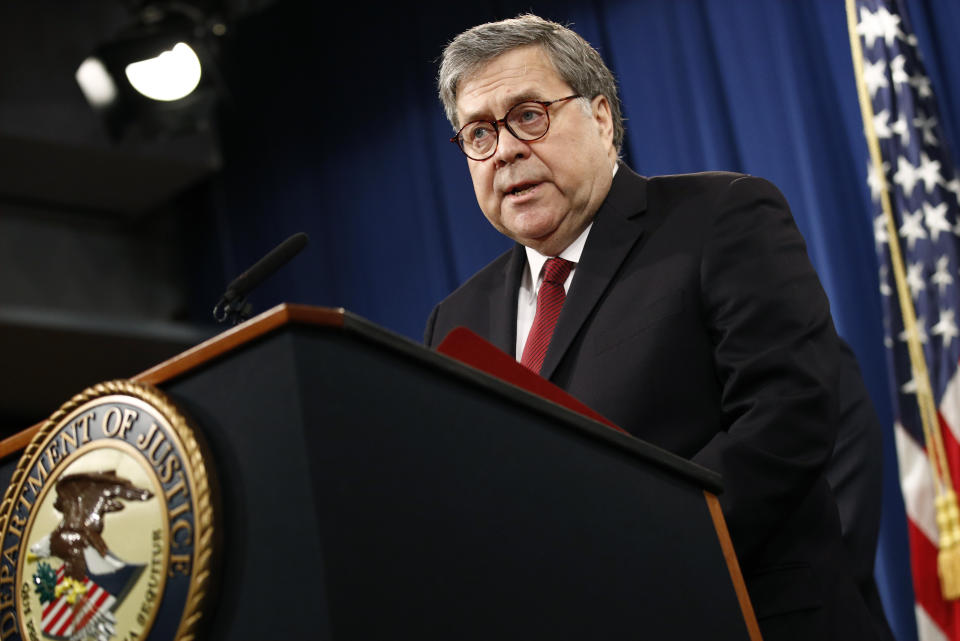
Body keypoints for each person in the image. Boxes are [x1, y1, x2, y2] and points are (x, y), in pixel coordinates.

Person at [424, 14, 892, 641]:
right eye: (478, 133)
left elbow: (789, 413)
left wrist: (637, 557)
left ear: (602, 118)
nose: (504, 149)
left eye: (529, 115)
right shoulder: (456, 320)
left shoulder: (722, 217)